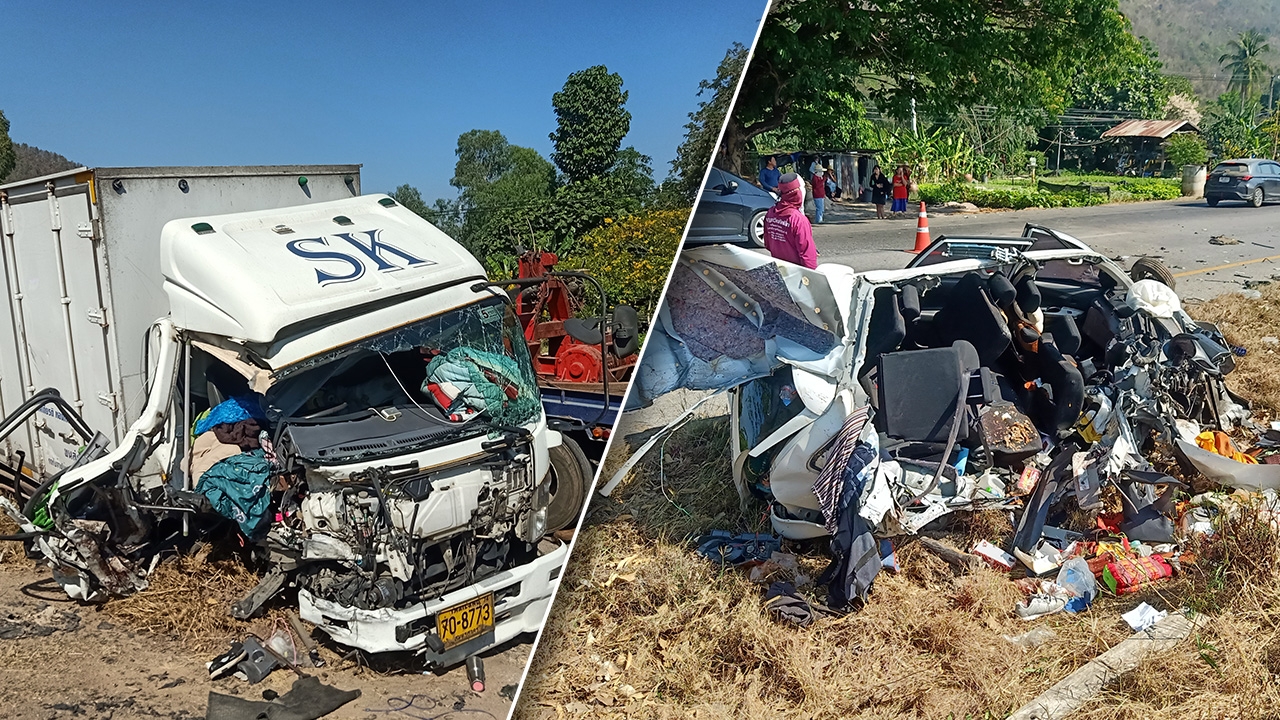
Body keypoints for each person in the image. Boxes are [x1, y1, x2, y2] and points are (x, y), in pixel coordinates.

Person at [764, 172, 817, 269]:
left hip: (779, 269)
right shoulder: (798, 220)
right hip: (797, 273)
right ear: (796, 193)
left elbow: (768, 244)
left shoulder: (770, 213)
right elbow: (808, 257)